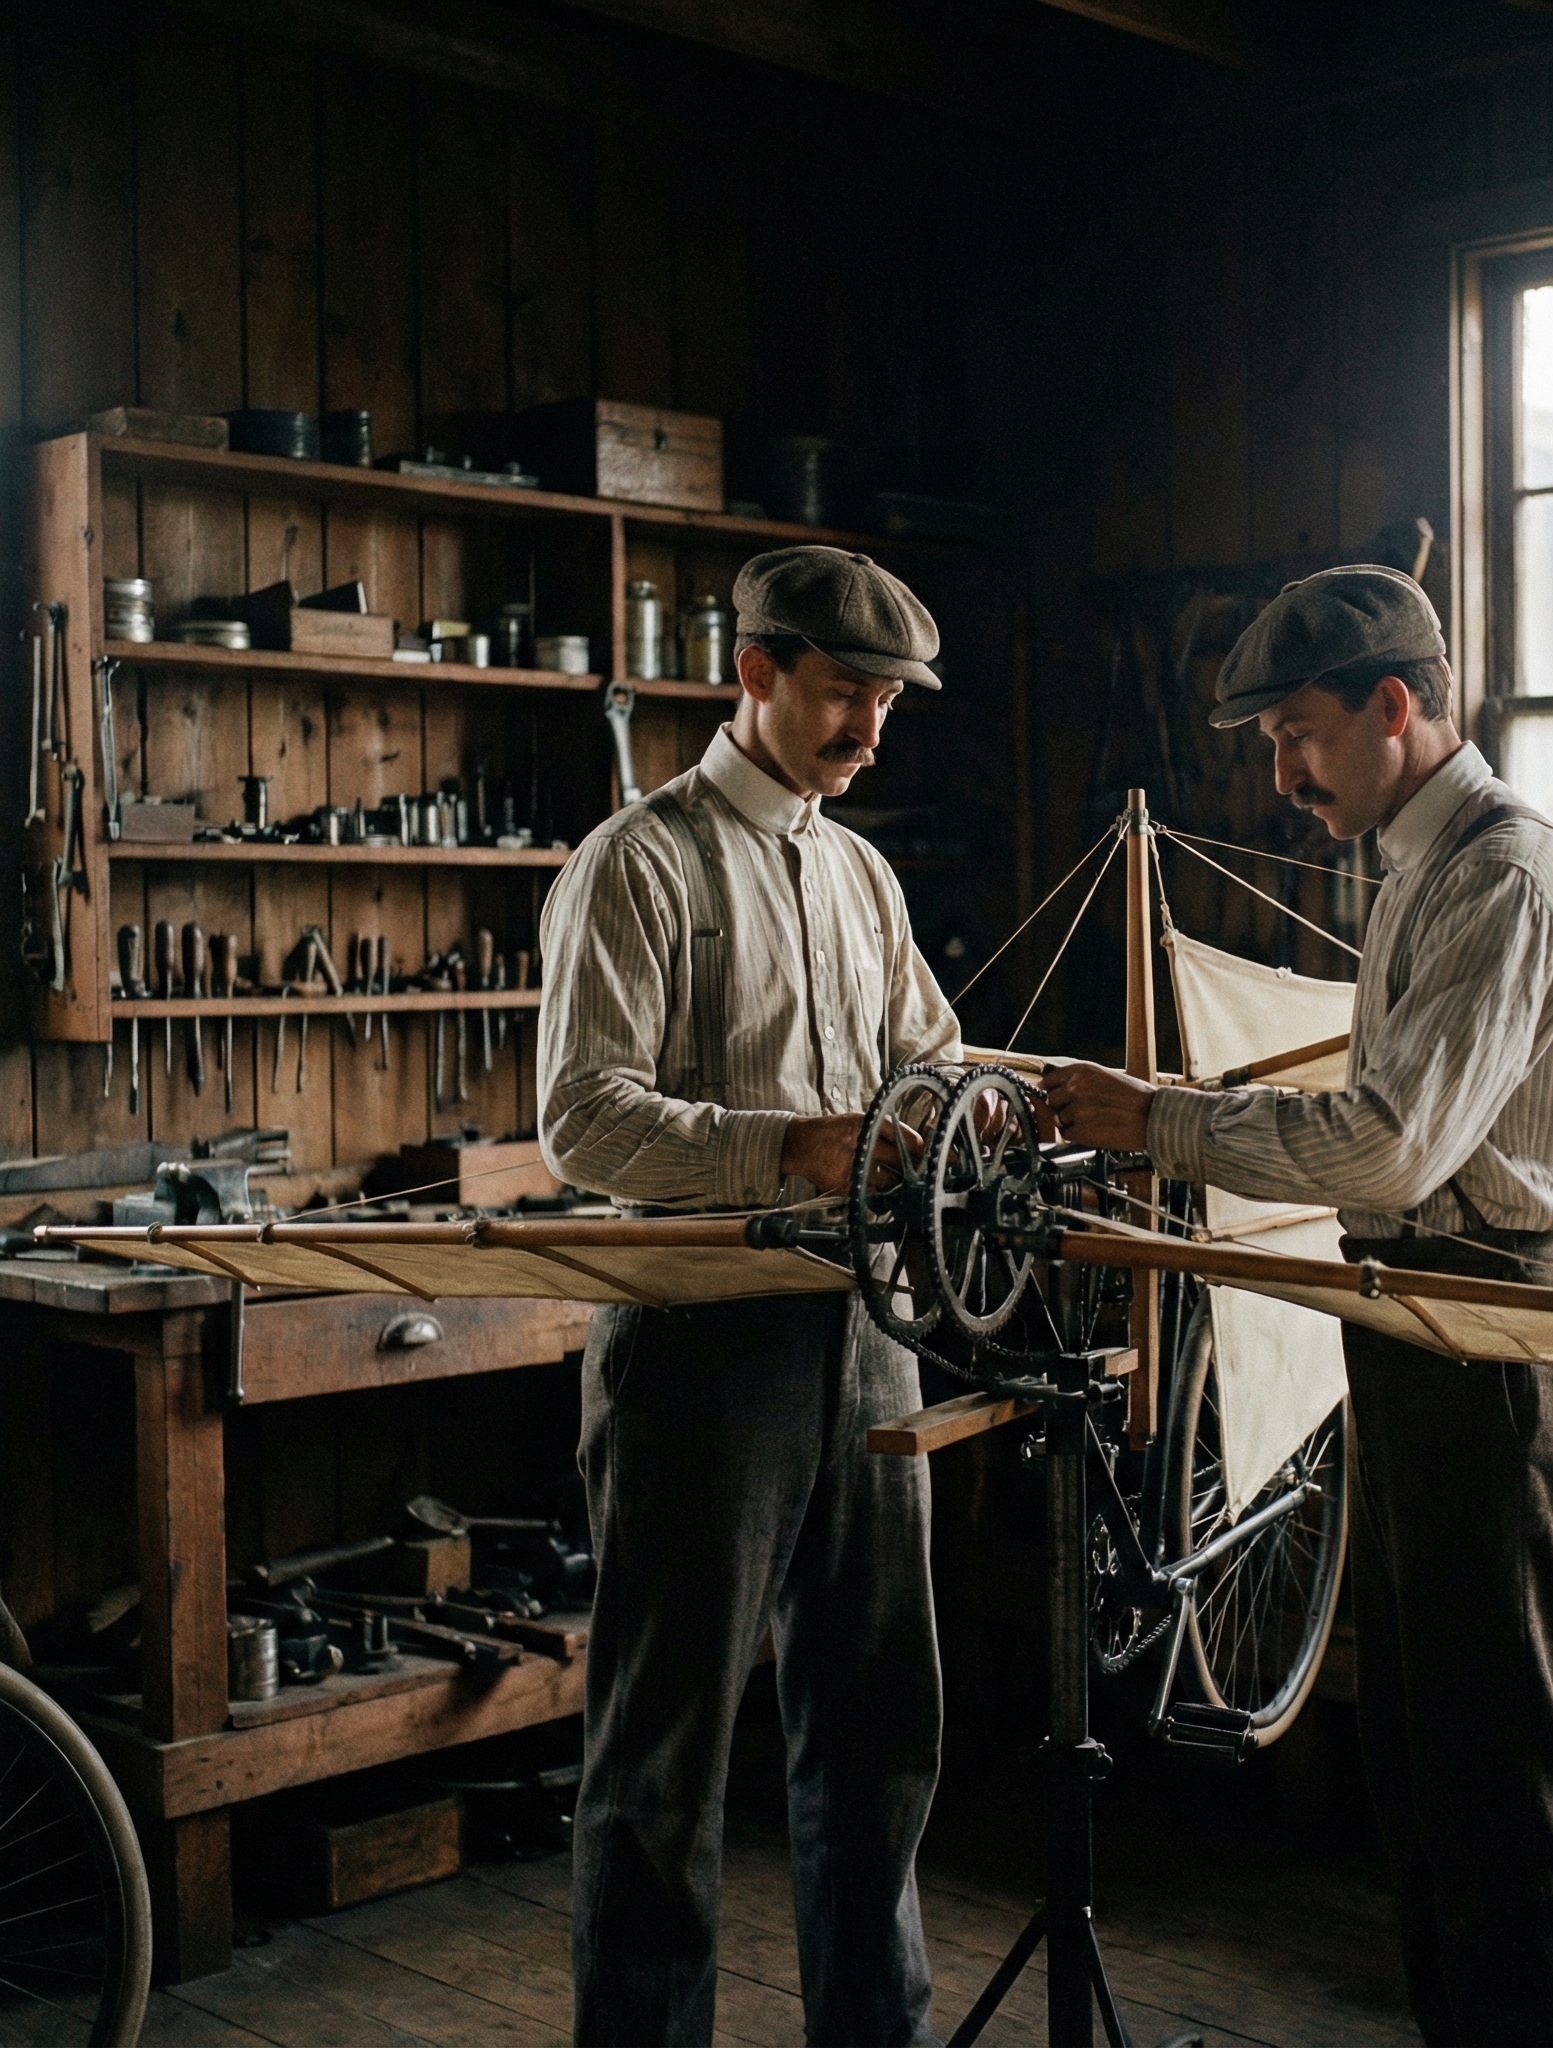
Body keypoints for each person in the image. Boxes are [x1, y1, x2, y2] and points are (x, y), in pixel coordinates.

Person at [1042, 565, 1553, 2048]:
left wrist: (1159, 1120)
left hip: (1500, 1346)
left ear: (1394, 706)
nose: (1281, 772)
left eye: (1297, 734)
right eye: (1264, 743)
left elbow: (1385, 1145)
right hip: (1426, 1329)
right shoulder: (1421, 865)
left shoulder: (1498, 874)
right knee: (1432, 1785)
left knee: (1502, 1795)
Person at [538, 545, 960, 2048]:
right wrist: (785, 1144)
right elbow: (582, 1119)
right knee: (665, 1756)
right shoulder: (637, 862)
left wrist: (1004, 1103)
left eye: (888, 704)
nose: (869, 732)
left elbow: (934, 1058)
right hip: (702, 1346)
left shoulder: (860, 874)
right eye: (847, 695)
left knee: (876, 1736)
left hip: (871, 1331)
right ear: (756, 674)